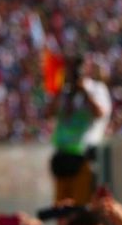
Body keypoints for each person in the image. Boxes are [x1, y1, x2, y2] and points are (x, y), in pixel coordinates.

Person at [46, 54, 112, 205]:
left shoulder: (96, 89)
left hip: (83, 157)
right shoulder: (64, 92)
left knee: (80, 207)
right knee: (60, 209)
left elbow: (100, 113)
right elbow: (49, 113)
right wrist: (59, 90)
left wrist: (85, 92)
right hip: (62, 157)